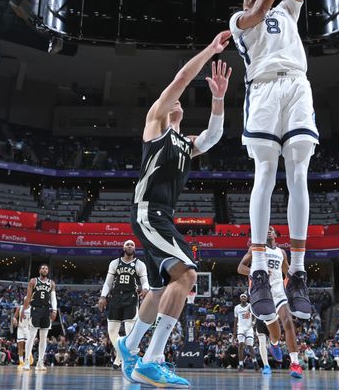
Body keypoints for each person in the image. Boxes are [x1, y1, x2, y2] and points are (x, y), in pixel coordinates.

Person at [117, 33, 232, 388]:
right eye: (173, 102)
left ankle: (130, 346)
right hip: (149, 212)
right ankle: (152, 360)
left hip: (161, 216)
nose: (177, 103)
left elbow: (212, 137)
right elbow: (181, 79)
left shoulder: (186, 143)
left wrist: (217, 100)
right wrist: (211, 51)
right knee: (186, 276)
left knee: (156, 291)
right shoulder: (155, 126)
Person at [229, 0, 316, 323]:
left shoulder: (288, 12)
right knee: (266, 172)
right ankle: (260, 270)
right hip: (262, 89)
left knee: (298, 169)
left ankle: (297, 271)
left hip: (297, 84)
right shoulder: (242, 23)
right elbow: (262, 5)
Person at [237, 226, 303, 378]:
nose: (267, 229)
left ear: (275, 234)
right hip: (262, 294)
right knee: (275, 335)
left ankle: (295, 363)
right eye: (265, 228)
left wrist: (298, 282)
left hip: (279, 293)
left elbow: (288, 272)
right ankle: (274, 345)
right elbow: (240, 268)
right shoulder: (256, 249)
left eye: (271, 229)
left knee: (288, 322)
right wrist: (257, 272)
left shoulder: (282, 253)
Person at [98, 239, 149, 369]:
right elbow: (108, 282)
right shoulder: (115, 263)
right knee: (112, 331)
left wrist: (145, 289)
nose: (130, 246)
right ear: (123, 247)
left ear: (135, 248)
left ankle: (125, 359)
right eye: (127, 244)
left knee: (129, 331)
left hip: (131, 297)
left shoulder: (139, 264)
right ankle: (121, 355)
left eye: (132, 245)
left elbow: (144, 281)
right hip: (115, 297)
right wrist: (103, 296)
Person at [23, 264, 58, 372]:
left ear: (48, 271)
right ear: (39, 270)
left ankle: (40, 362)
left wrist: (55, 309)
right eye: (43, 268)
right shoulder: (33, 281)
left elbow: (53, 298)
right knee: (32, 336)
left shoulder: (51, 283)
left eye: (46, 268)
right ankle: (27, 361)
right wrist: (24, 309)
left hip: (46, 310)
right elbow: (28, 296)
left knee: (44, 338)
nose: (45, 270)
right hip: (35, 309)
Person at [233, 294, 255, 372]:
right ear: (240, 299)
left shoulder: (250, 306)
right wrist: (234, 333)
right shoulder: (236, 308)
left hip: (249, 328)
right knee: (241, 344)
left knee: (250, 346)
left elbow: (255, 315)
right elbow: (235, 320)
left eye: (244, 297)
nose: (243, 298)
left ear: (247, 299)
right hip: (241, 328)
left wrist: (253, 321)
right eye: (242, 297)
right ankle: (241, 364)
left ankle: (255, 362)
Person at [13, 299, 33, 370]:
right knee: (20, 345)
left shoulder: (32, 309)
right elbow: (15, 316)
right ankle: (21, 362)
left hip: (28, 328)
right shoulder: (19, 308)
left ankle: (29, 356)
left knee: (27, 344)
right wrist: (14, 320)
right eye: (25, 300)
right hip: (20, 328)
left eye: (27, 300)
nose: (26, 301)